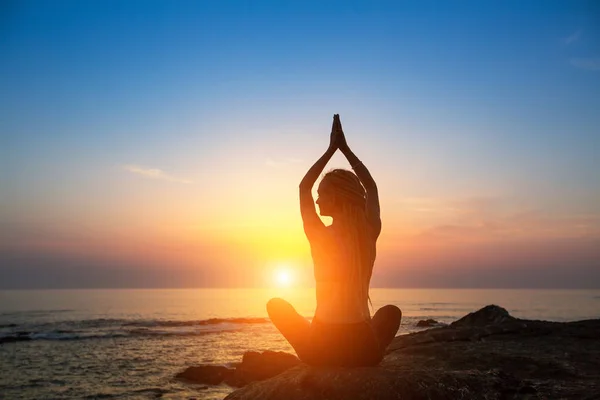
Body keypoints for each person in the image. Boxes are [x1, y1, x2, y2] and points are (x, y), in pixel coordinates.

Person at [267, 114, 402, 367]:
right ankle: (371, 354)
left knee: (275, 305)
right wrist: (346, 150)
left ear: (338, 197)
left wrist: (331, 150)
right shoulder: (368, 233)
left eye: (323, 194)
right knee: (391, 312)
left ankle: (313, 352)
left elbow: (303, 188)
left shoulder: (319, 235)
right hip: (363, 351)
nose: (317, 201)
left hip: (320, 350)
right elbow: (371, 188)